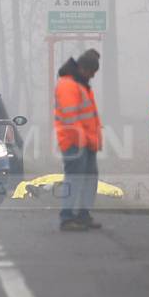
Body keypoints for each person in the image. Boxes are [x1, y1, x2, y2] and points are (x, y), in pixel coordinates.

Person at [54, 49, 102, 231]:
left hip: (85, 142)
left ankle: (83, 214)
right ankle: (67, 217)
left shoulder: (80, 84)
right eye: (91, 72)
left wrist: (92, 140)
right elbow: (70, 117)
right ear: (83, 68)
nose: (92, 76)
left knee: (89, 178)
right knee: (74, 178)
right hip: (75, 142)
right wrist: (81, 140)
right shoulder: (68, 85)